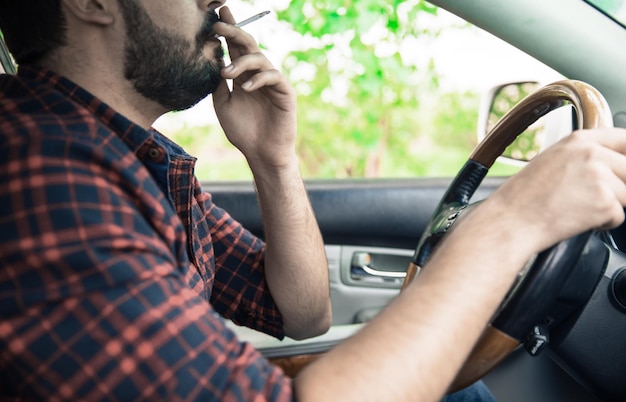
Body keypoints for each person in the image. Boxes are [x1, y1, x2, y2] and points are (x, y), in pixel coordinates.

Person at [0, 0, 625, 401]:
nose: (217, 5)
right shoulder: (42, 168)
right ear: (91, 3)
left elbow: (302, 313)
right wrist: (510, 224)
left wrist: (272, 159)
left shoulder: (134, 162)